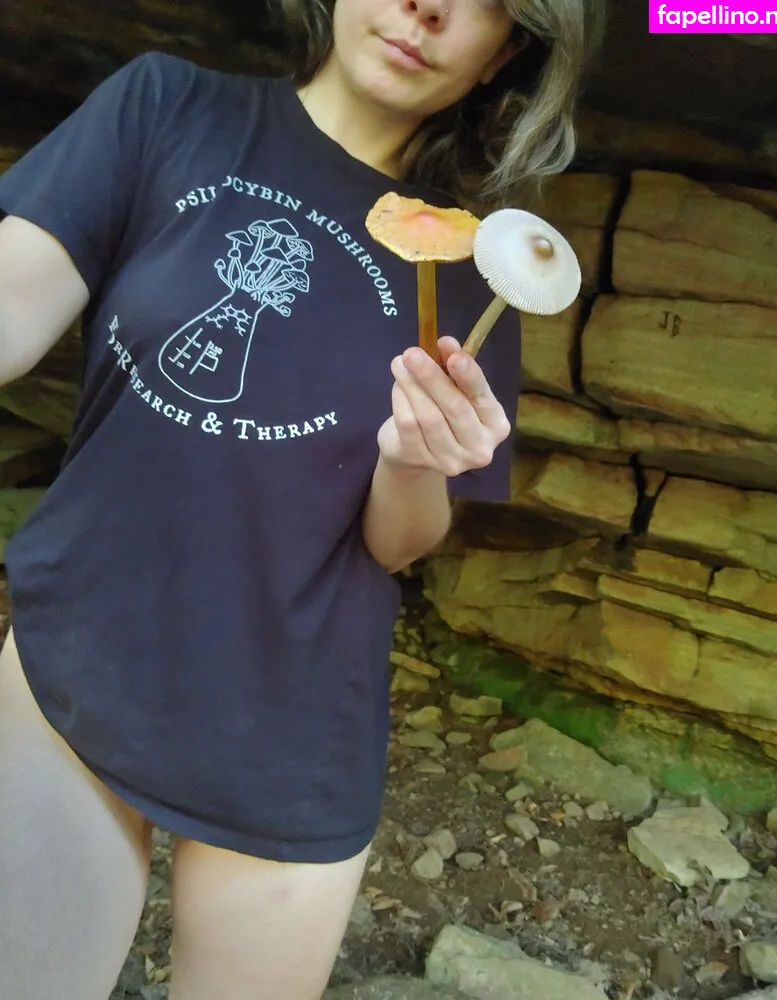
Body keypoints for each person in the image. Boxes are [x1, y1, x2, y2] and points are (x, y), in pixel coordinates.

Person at [0, 1, 603, 998]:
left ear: (506, 53)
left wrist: (412, 462)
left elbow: (400, 544)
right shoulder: (167, 107)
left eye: (483, 0)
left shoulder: (472, 267)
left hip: (289, 719)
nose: (427, 8)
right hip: (80, 652)